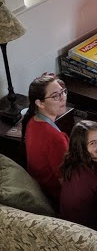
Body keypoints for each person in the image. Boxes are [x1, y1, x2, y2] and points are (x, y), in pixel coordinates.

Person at [22, 73, 69, 206]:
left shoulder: (32, 122)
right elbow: (66, 182)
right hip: (57, 198)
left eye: (63, 92)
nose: (62, 98)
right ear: (39, 103)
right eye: (55, 96)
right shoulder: (55, 138)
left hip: (44, 190)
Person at [59, 120, 97, 230]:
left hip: (70, 225)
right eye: (93, 143)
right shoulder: (96, 177)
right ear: (81, 147)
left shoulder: (73, 164)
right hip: (92, 233)